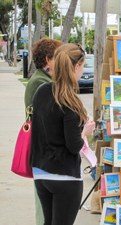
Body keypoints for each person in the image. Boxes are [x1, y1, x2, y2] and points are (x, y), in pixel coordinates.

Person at [30, 43, 95, 225]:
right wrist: (85, 132)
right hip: (65, 175)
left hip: (41, 172)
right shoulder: (70, 100)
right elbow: (73, 145)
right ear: (76, 66)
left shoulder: (41, 92)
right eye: (82, 67)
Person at [24, 37, 63, 225]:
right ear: (48, 59)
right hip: (45, 154)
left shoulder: (43, 80)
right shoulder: (41, 83)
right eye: (58, 57)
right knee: (45, 210)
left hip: (44, 153)